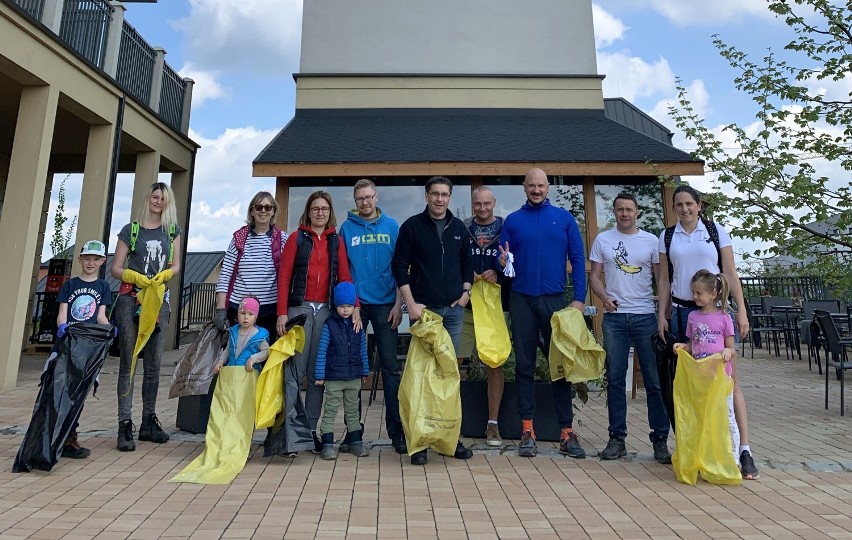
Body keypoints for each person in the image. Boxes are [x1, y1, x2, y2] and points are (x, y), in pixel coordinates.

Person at [657, 184, 759, 480]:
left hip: (716, 314)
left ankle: (744, 449)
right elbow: (664, 279)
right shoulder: (667, 236)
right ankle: (698, 449)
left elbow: (729, 271)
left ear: (699, 205)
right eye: (679, 205)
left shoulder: (715, 232)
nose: (685, 209)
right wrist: (662, 315)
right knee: (692, 389)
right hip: (682, 314)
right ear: (674, 208)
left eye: (689, 204)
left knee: (729, 383)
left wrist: (741, 309)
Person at [498, 168, 587, 459]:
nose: (536, 190)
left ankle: (566, 432)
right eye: (531, 186)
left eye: (541, 185)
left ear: (548, 187)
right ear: (524, 187)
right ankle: (527, 430)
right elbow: (504, 263)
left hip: (555, 301)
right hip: (522, 299)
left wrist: (579, 300)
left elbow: (577, 258)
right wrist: (501, 262)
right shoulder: (512, 221)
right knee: (523, 365)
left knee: (559, 367)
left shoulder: (563, 219)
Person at [392, 176, 475, 465]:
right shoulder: (412, 227)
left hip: (453, 312)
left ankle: (449, 439)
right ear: (426, 196)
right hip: (424, 315)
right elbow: (399, 267)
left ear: (450, 198)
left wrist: (466, 293)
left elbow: (469, 262)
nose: (440, 199)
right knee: (422, 379)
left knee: (448, 377)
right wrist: (410, 304)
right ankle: (420, 442)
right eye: (435, 194)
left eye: (445, 195)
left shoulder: (459, 228)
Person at [589, 193, 671, 464]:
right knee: (614, 380)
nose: (625, 213)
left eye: (629, 209)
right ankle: (617, 438)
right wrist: (604, 297)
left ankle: (660, 440)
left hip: (645, 316)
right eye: (620, 209)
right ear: (613, 212)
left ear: (637, 212)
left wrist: (662, 314)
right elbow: (594, 276)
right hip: (615, 318)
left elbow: (662, 280)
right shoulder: (603, 240)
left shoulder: (651, 240)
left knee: (654, 381)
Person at [276, 190, 358, 455]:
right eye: (315, 209)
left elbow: (344, 275)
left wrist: (354, 306)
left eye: (324, 208)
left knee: (316, 374)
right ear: (308, 212)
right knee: (293, 373)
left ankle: (309, 430)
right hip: (299, 310)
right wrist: (281, 312)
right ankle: (288, 430)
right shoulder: (296, 239)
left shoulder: (336, 241)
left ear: (329, 211)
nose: (320, 213)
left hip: (326, 311)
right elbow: (285, 277)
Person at [111, 182, 181, 452]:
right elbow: (116, 267)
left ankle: (148, 421)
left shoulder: (172, 231)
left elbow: (176, 265)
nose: (158, 202)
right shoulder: (131, 231)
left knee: (153, 364)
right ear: (148, 198)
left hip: (158, 301)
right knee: (128, 361)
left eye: (163, 198)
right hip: (131, 299)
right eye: (154, 197)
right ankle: (124, 422)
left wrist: (167, 275)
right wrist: (131, 275)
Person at [338, 179, 406, 454]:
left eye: (368, 197)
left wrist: (399, 303)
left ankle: (396, 430)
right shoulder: (346, 228)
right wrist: (352, 303)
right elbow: (344, 270)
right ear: (355, 201)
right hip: (357, 306)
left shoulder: (392, 226)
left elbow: (402, 267)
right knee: (352, 370)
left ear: (376, 197)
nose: (364, 202)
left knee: (390, 369)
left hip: (387, 305)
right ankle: (353, 431)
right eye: (359, 199)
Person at [458, 186, 509, 447]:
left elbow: (515, 263)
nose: (482, 208)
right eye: (477, 204)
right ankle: (451, 422)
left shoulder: (505, 228)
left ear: (494, 203)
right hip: (465, 307)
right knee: (452, 362)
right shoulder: (462, 227)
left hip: (494, 307)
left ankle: (493, 425)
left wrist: (498, 273)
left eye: (487, 204)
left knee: (495, 362)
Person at [673, 270, 740, 462]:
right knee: (701, 418)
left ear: (713, 293)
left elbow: (731, 348)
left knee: (726, 417)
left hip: (720, 378)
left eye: (699, 293)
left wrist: (728, 352)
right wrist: (684, 347)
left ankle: (732, 459)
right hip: (700, 377)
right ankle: (704, 457)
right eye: (693, 292)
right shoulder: (693, 317)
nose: (694, 297)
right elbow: (693, 344)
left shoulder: (724, 318)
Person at [55, 239, 112, 459]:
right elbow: (63, 311)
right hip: (68, 343)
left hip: (87, 348)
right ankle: (56, 434)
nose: (91, 263)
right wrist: (62, 328)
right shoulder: (70, 285)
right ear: (80, 259)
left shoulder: (103, 287)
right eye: (87, 258)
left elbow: (100, 316)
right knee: (61, 389)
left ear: (102, 262)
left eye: (95, 259)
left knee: (78, 393)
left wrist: (109, 330)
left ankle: (70, 436)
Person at [214, 192, 287, 339]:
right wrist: (221, 309)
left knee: (265, 353)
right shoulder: (239, 239)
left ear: (273, 211)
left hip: (269, 309)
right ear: (252, 211)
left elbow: (287, 275)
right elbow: (226, 273)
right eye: (259, 207)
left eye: (268, 207)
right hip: (239, 308)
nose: (263, 211)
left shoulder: (282, 238)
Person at [314, 282, 370, 460]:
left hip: (354, 376)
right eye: (341, 306)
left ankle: (356, 441)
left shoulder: (358, 325)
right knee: (330, 409)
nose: (346, 310)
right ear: (335, 306)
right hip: (334, 377)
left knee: (353, 410)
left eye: (349, 306)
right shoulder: (329, 326)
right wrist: (320, 375)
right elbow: (322, 351)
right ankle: (328, 444)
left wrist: (365, 371)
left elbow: (363, 349)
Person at [213, 296, 270, 375]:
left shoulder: (259, 336)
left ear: (255, 317)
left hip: (249, 375)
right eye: (243, 313)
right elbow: (228, 350)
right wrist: (221, 361)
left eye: (250, 314)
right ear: (238, 314)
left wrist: (253, 359)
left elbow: (266, 352)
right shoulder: (233, 332)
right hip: (232, 372)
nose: (246, 317)